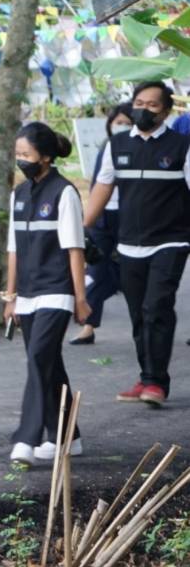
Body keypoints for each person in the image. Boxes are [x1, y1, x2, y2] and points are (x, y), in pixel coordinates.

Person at [84, 80, 190, 408]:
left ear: (167, 111)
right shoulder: (117, 146)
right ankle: (146, 377)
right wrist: (79, 230)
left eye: (152, 105)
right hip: (128, 243)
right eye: (138, 103)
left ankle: (157, 382)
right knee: (138, 313)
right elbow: (101, 189)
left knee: (156, 306)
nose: (143, 110)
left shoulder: (181, 146)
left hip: (170, 241)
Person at [5, 122, 89, 467]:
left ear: (47, 157)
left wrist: (80, 298)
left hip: (57, 293)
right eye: (18, 155)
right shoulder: (18, 196)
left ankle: (26, 438)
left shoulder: (64, 192)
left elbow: (74, 249)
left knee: (39, 358)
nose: (21, 161)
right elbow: (14, 250)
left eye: (26, 155)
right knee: (50, 364)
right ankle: (68, 436)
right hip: (26, 294)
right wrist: (10, 297)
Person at [70, 103, 134, 347]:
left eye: (127, 123)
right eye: (117, 122)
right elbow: (97, 184)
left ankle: (146, 321)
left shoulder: (140, 151)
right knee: (95, 271)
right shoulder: (106, 148)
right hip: (101, 218)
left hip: (131, 218)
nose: (121, 127)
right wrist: (87, 222)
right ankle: (89, 326)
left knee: (132, 272)